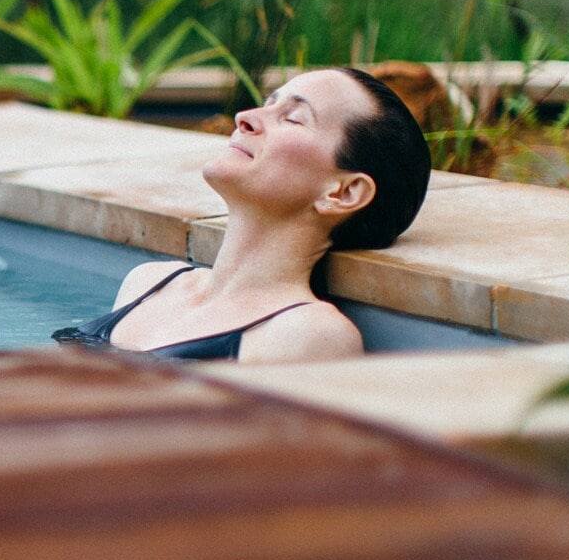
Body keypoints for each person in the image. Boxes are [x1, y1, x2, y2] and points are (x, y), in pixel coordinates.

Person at [53, 66, 430, 363]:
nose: (245, 117)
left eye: (294, 117)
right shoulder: (150, 284)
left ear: (343, 192)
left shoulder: (305, 333)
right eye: (267, 104)